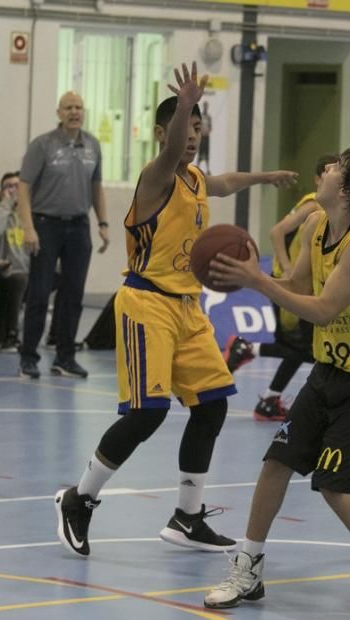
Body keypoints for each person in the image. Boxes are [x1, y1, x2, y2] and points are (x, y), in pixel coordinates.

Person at [54, 62, 298, 557]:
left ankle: (186, 517)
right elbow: (169, 155)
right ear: (165, 133)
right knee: (147, 414)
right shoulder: (155, 177)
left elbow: (224, 182)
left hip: (188, 309)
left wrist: (267, 176)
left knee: (212, 406)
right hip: (147, 304)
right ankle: (78, 499)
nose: (192, 138)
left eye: (199, 130)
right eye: (185, 129)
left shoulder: (193, 180)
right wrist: (187, 102)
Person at [204, 146, 350, 620]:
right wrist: (253, 272)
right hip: (330, 369)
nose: (322, 170)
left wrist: (257, 281)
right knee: (277, 460)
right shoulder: (316, 224)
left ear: (345, 190)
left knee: (336, 483)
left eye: (334, 168)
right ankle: (250, 566)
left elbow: (323, 309)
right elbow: (298, 288)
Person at [224, 153, 339, 421]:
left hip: (296, 285)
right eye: (327, 173)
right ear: (318, 178)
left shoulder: (320, 206)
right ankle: (249, 350)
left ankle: (269, 399)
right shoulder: (313, 205)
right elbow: (276, 231)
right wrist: (287, 269)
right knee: (308, 350)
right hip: (291, 285)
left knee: (301, 348)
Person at [17, 90, 110, 380]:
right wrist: (28, 227)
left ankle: (65, 357)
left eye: (79, 107)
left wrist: (103, 223)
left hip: (79, 227)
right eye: (68, 107)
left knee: (73, 295)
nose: (74, 112)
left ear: (84, 112)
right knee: (40, 293)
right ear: (59, 112)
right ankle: (28, 358)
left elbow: (97, 187)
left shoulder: (93, 145)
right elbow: (23, 187)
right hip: (46, 226)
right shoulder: (42, 145)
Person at [0, 171, 29, 351]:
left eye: (17, 186)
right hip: (5, 273)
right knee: (14, 281)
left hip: (28, 272)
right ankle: (11, 335)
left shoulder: (31, 215)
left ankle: (55, 337)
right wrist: (6, 204)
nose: (13, 190)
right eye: (8, 187)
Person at [197, 100, 212, 174]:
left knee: (207, 153)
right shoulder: (201, 116)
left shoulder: (209, 117)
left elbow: (210, 127)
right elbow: (198, 126)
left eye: (207, 106)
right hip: (201, 137)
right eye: (204, 106)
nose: (205, 107)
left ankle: (208, 169)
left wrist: (207, 131)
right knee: (200, 152)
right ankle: (197, 167)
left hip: (207, 137)